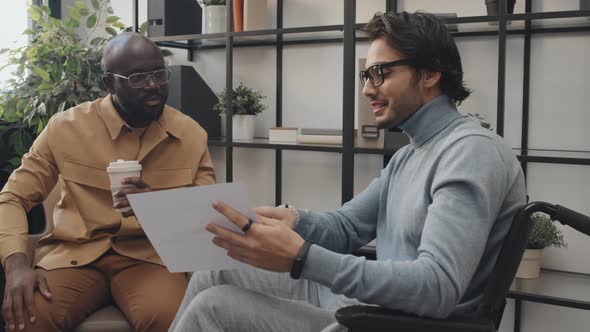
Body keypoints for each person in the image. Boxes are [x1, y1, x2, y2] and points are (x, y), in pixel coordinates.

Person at [169, 11, 527, 332]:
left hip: (392, 322)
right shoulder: (408, 156)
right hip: (365, 305)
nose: (367, 89)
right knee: (211, 271)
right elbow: (347, 227)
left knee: (212, 308)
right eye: (365, 75)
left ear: (431, 72)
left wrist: (302, 258)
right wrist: (292, 221)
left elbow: (437, 288)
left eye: (380, 73)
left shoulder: (471, 152)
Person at [0, 32, 216, 332]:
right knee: (29, 315)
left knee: (175, 321)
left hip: (150, 257)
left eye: (158, 74)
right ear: (109, 84)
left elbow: (206, 217)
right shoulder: (66, 128)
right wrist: (16, 267)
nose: (153, 85)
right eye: (137, 78)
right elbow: (11, 198)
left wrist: (156, 208)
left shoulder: (191, 135)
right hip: (76, 254)